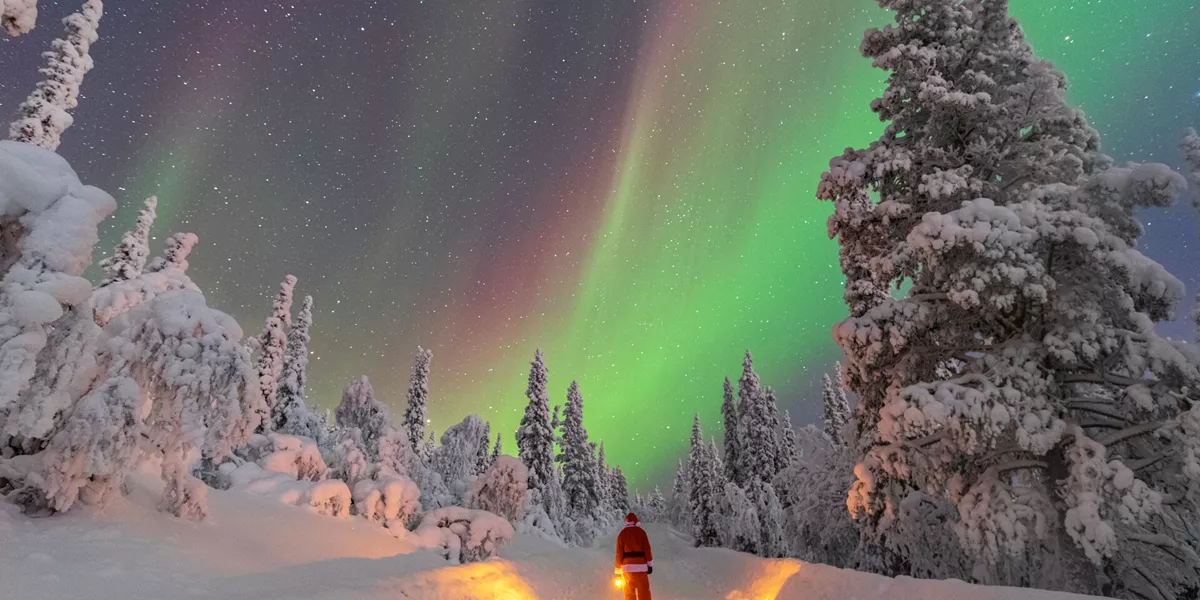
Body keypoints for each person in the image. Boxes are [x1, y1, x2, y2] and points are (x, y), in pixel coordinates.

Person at [614, 512, 653, 600]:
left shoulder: (622, 534)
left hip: (627, 569)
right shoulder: (642, 532)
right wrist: (650, 565)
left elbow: (619, 553)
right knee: (644, 592)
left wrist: (618, 571)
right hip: (641, 568)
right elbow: (647, 549)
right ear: (636, 521)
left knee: (629, 594)